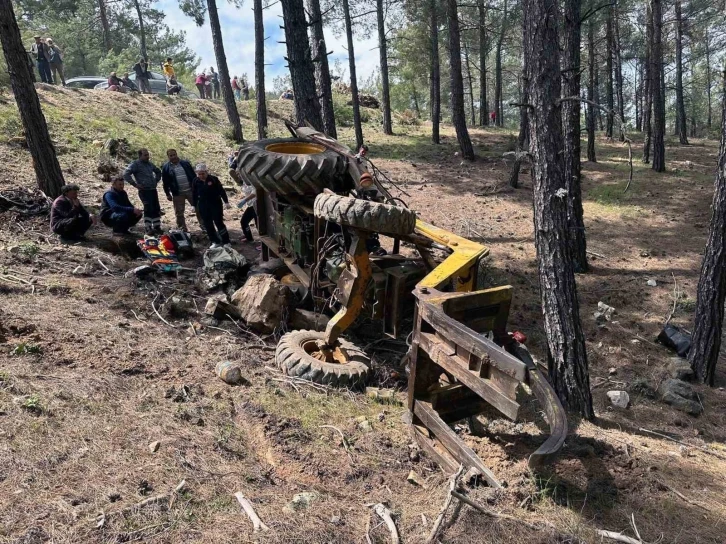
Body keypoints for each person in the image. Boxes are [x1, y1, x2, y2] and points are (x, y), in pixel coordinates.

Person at [162, 149, 204, 232]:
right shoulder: (166, 167)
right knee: (179, 213)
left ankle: (204, 225)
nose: (173, 157)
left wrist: (198, 187)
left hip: (191, 191)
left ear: (177, 154)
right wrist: (167, 193)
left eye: (174, 154)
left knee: (199, 208)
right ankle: (182, 229)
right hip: (177, 193)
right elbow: (165, 182)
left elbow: (193, 176)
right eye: (171, 155)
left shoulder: (185, 163)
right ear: (168, 157)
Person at [123, 148, 163, 234]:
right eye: (145, 155)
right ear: (140, 156)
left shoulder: (150, 164)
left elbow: (158, 171)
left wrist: (156, 180)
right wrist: (135, 184)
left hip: (153, 189)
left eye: (148, 155)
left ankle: (157, 226)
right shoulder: (135, 164)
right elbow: (126, 174)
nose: (147, 157)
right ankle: (148, 227)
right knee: (148, 207)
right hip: (144, 190)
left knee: (156, 208)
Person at [192, 163, 230, 248]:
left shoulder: (213, 179)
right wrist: (193, 205)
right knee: (208, 224)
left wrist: (226, 202)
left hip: (215, 203)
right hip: (203, 205)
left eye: (203, 173)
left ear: (206, 172)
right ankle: (215, 241)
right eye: (199, 174)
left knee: (219, 222)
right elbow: (194, 194)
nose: (201, 176)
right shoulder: (195, 181)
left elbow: (221, 191)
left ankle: (226, 241)